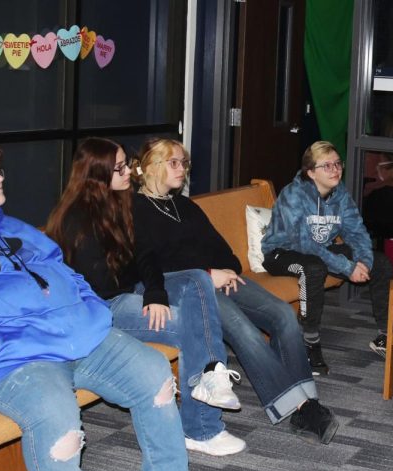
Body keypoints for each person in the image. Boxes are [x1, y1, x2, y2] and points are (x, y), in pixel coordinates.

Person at [0, 140, 189, 471]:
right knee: (58, 420)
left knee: (154, 373)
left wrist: (88, 306)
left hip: (73, 335)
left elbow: (66, 270)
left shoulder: (13, 228)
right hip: (5, 363)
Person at [45, 137, 246, 456]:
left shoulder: (121, 202)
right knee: (192, 324)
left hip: (129, 293)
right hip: (101, 307)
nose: (130, 170)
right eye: (121, 167)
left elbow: (146, 256)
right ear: (98, 174)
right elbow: (104, 286)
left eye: (128, 163)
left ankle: (210, 380)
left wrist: (155, 291)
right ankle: (202, 427)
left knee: (196, 280)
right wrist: (145, 285)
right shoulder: (77, 220)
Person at [133, 138, 339, 444]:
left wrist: (225, 271)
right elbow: (147, 263)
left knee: (282, 314)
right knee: (242, 327)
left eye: (184, 163)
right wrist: (206, 274)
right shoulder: (135, 208)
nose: (182, 169)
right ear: (151, 167)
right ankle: (304, 407)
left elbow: (224, 252)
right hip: (181, 288)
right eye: (174, 162)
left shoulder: (186, 206)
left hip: (216, 279)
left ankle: (305, 402)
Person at [261, 141, 393, 371]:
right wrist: (346, 267)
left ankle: (385, 335)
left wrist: (364, 261)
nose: (335, 170)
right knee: (313, 267)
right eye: (327, 166)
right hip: (281, 253)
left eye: (337, 164)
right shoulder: (293, 195)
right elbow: (303, 243)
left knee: (380, 262)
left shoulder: (340, 194)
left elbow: (356, 231)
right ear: (311, 172)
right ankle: (309, 342)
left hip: (318, 250)